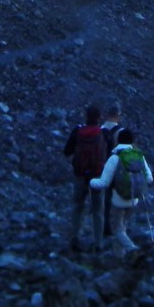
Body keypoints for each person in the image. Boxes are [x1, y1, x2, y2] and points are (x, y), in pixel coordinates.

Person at [92, 128, 152, 253]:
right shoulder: (138, 155)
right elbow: (149, 178)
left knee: (117, 229)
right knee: (123, 226)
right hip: (134, 198)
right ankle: (120, 255)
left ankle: (132, 249)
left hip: (118, 198)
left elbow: (104, 182)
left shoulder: (114, 158)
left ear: (118, 140)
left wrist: (91, 182)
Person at [63, 105, 108, 252]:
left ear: (86, 116)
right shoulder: (103, 133)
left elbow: (67, 151)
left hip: (80, 175)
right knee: (97, 211)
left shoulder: (77, 131)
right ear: (99, 118)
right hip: (97, 176)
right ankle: (98, 244)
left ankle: (74, 237)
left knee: (77, 206)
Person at [98, 104, 125, 238]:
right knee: (112, 199)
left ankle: (99, 227)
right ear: (118, 116)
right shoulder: (120, 131)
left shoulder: (98, 130)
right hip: (113, 169)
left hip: (98, 168)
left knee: (99, 198)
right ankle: (111, 227)